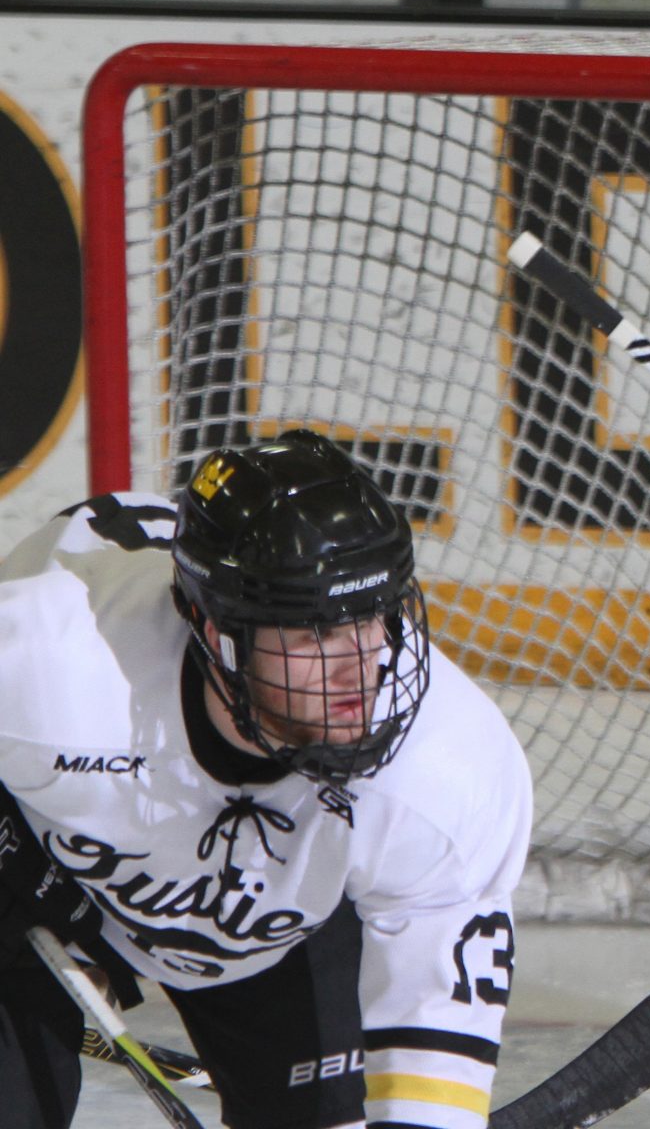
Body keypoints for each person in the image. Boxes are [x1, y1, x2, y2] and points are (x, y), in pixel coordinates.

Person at [0, 430, 532, 1129]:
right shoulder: (53, 669)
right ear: (217, 631)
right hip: (47, 870)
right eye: (314, 632)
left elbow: (433, 1055)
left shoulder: (446, 765)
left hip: (275, 933)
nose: (360, 666)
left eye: (372, 616)